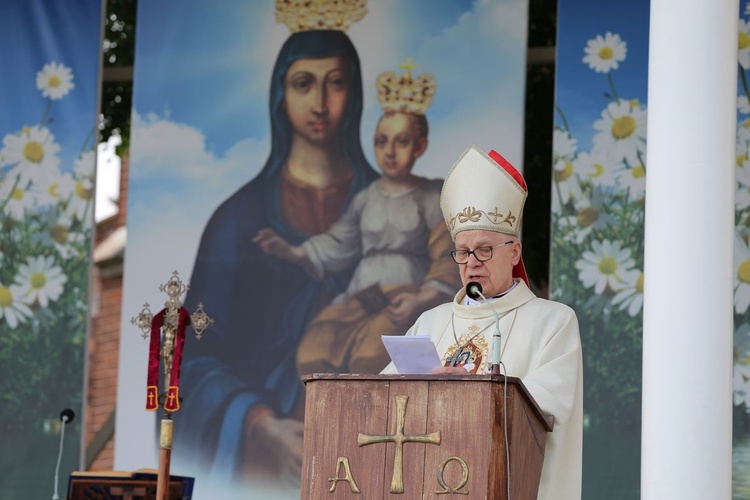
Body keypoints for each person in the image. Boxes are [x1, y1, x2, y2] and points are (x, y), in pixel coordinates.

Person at [173, 26, 378, 490]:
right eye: (303, 83)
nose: (321, 103)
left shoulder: (391, 209)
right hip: (269, 458)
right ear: (279, 94)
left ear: (356, 91)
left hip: (376, 443)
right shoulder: (237, 220)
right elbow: (195, 359)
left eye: (336, 82)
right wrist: (262, 424)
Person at [381, 144, 583, 500]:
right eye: (462, 251)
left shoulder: (553, 321)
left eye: (485, 249)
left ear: (515, 252)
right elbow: (379, 397)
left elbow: (546, 405)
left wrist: (464, 394)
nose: (472, 262)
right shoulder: (430, 321)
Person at [255, 62, 459, 375]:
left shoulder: (431, 196)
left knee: (372, 361)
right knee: (313, 354)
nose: (389, 152)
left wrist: (421, 298)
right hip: (358, 299)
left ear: (420, 146)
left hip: (403, 299)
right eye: (381, 141)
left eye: (401, 141)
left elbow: (447, 256)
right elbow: (340, 244)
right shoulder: (365, 198)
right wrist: (289, 251)